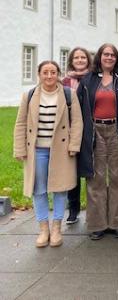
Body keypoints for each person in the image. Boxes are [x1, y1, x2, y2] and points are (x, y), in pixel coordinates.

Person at [13, 61, 83, 248]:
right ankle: (43, 229)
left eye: (53, 72)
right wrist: (19, 149)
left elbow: (77, 122)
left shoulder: (69, 94)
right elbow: (20, 124)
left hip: (61, 151)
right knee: (39, 190)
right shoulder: (29, 95)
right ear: (39, 74)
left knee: (60, 189)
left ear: (58, 74)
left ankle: (56, 228)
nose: (49, 76)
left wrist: (74, 145)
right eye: (45, 72)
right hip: (37, 151)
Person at [78, 44, 118, 240]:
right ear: (99, 57)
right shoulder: (88, 80)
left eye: (112, 55)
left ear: (117, 58)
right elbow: (78, 107)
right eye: (105, 54)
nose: (109, 57)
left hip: (116, 130)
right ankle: (97, 224)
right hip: (95, 131)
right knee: (96, 178)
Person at [62, 47, 93, 225]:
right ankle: (73, 208)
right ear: (71, 60)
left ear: (88, 60)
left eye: (83, 57)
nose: (80, 60)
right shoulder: (65, 81)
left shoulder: (93, 78)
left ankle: (93, 209)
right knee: (72, 171)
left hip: (90, 128)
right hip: (71, 130)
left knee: (91, 170)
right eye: (76, 57)